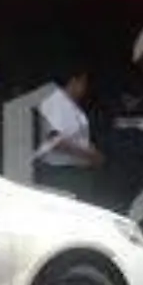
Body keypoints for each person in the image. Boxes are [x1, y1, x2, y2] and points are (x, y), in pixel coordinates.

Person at [34, 69, 104, 204]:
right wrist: (90, 154)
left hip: (77, 173)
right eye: (83, 82)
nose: (85, 88)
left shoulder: (71, 106)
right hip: (62, 175)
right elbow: (56, 141)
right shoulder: (55, 103)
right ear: (73, 81)